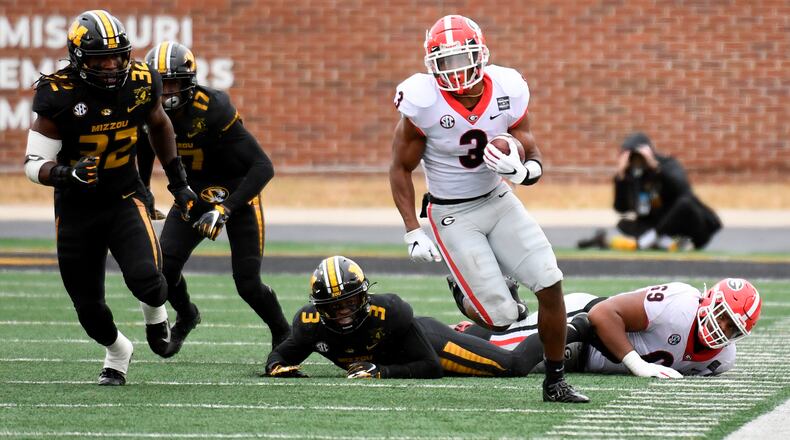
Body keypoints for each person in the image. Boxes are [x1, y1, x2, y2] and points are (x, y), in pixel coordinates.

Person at [388, 15, 587, 402]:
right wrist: (413, 228)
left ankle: (556, 382)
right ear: (432, 66)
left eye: (463, 59)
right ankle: (462, 289)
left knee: (551, 282)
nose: (456, 70)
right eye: (445, 62)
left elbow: (529, 143)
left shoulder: (507, 86)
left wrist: (525, 170)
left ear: (481, 55)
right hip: (451, 213)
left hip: (498, 198)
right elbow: (401, 167)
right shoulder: (422, 100)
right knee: (502, 318)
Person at [23, 10, 197, 385]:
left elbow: (159, 124)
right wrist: (65, 173)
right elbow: (33, 163)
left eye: (117, 55)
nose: (111, 65)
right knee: (89, 311)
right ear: (78, 57)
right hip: (76, 210)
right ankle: (118, 351)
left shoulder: (140, 81)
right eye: (100, 57)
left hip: (123, 196)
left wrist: (178, 183)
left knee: (149, 282)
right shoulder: (57, 93)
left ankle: (156, 314)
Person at [136, 41, 291, 356]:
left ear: (189, 81)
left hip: (236, 194)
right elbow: (143, 147)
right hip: (191, 195)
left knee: (247, 283)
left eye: (173, 83)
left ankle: (283, 335)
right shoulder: (143, 107)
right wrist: (144, 190)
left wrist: (227, 208)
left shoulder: (213, 108)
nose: (166, 93)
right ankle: (187, 313)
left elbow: (263, 166)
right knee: (163, 270)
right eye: (160, 83)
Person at [264, 256, 590, 383]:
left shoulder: (389, 313)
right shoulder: (309, 323)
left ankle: (577, 328)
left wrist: (382, 372)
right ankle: (478, 330)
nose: (344, 312)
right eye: (334, 306)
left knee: (516, 365)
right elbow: (282, 354)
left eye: (349, 302)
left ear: (363, 296)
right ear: (320, 308)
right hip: (416, 350)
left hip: (430, 344)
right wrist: (277, 367)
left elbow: (431, 367)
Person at [459, 278, 761, 377]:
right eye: (722, 315)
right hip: (587, 329)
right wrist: (636, 363)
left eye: (732, 327)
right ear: (709, 299)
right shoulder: (679, 303)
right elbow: (603, 313)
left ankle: (513, 308)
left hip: (592, 360)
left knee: (511, 346)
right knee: (503, 351)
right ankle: (469, 314)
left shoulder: (722, 360)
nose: (722, 328)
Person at [578, 132, 722, 251]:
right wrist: (620, 178)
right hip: (663, 229)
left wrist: (656, 169)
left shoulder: (667, 164)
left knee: (685, 203)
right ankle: (665, 243)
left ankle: (650, 240)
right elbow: (621, 208)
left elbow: (683, 190)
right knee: (623, 223)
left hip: (690, 227)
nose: (637, 161)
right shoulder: (632, 175)